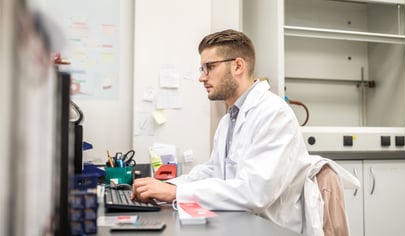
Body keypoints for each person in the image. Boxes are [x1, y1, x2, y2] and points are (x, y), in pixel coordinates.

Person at [131, 29, 343, 233]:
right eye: (202, 69)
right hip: (239, 222)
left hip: (269, 228)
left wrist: (176, 192)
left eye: (209, 67)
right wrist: (163, 187)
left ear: (238, 66)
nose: (202, 77)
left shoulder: (274, 113)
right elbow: (213, 172)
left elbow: (255, 193)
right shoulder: (229, 120)